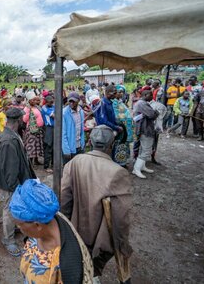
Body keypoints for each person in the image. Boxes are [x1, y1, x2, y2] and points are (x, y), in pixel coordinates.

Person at [61, 125, 132, 284]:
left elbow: (64, 198)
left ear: (90, 142)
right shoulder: (118, 171)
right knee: (91, 270)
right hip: (99, 239)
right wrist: (122, 245)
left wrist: (65, 230)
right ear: (111, 145)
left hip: (74, 230)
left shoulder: (75, 162)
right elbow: (121, 217)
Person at [10, 179, 93, 284]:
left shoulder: (68, 267)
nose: (18, 227)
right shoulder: (49, 216)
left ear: (37, 225)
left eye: (19, 224)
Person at [0, 107, 36, 257]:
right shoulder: (8, 140)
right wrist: (15, 189)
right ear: (18, 121)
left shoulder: (12, 134)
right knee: (9, 210)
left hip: (13, 181)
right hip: (8, 184)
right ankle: (8, 239)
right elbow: (10, 169)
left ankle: (12, 229)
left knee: (12, 209)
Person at [132, 90, 159, 179]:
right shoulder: (142, 104)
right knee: (147, 150)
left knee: (144, 149)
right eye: (151, 95)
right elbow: (152, 115)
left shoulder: (141, 103)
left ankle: (141, 166)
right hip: (145, 129)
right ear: (145, 95)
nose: (152, 97)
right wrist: (156, 112)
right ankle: (136, 169)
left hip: (144, 128)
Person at [62, 92, 86, 166]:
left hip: (79, 145)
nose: (71, 103)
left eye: (73, 101)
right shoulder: (64, 113)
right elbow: (63, 133)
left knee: (78, 168)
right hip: (69, 147)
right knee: (68, 170)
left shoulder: (80, 111)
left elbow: (81, 129)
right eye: (70, 101)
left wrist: (83, 144)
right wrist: (66, 150)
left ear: (78, 101)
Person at [112, 86, 133, 166]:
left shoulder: (120, 102)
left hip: (126, 127)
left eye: (122, 92)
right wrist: (126, 115)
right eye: (119, 92)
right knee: (119, 143)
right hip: (121, 127)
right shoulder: (114, 102)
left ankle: (124, 160)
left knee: (125, 144)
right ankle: (118, 162)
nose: (121, 94)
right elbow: (116, 116)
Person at [23, 95, 44, 165]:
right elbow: (25, 120)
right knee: (31, 146)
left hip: (38, 129)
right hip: (31, 129)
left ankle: (36, 160)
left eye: (35, 100)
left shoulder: (36, 107)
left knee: (36, 145)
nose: (35, 101)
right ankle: (30, 162)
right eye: (33, 100)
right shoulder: (26, 108)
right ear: (29, 101)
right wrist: (28, 111)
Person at [41, 95, 55, 173]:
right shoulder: (44, 108)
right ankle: (46, 166)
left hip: (55, 128)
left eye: (53, 102)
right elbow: (55, 116)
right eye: (50, 102)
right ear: (46, 102)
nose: (52, 103)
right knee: (48, 147)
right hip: (48, 128)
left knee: (54, 147)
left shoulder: (53, 106)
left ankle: (53, 164)